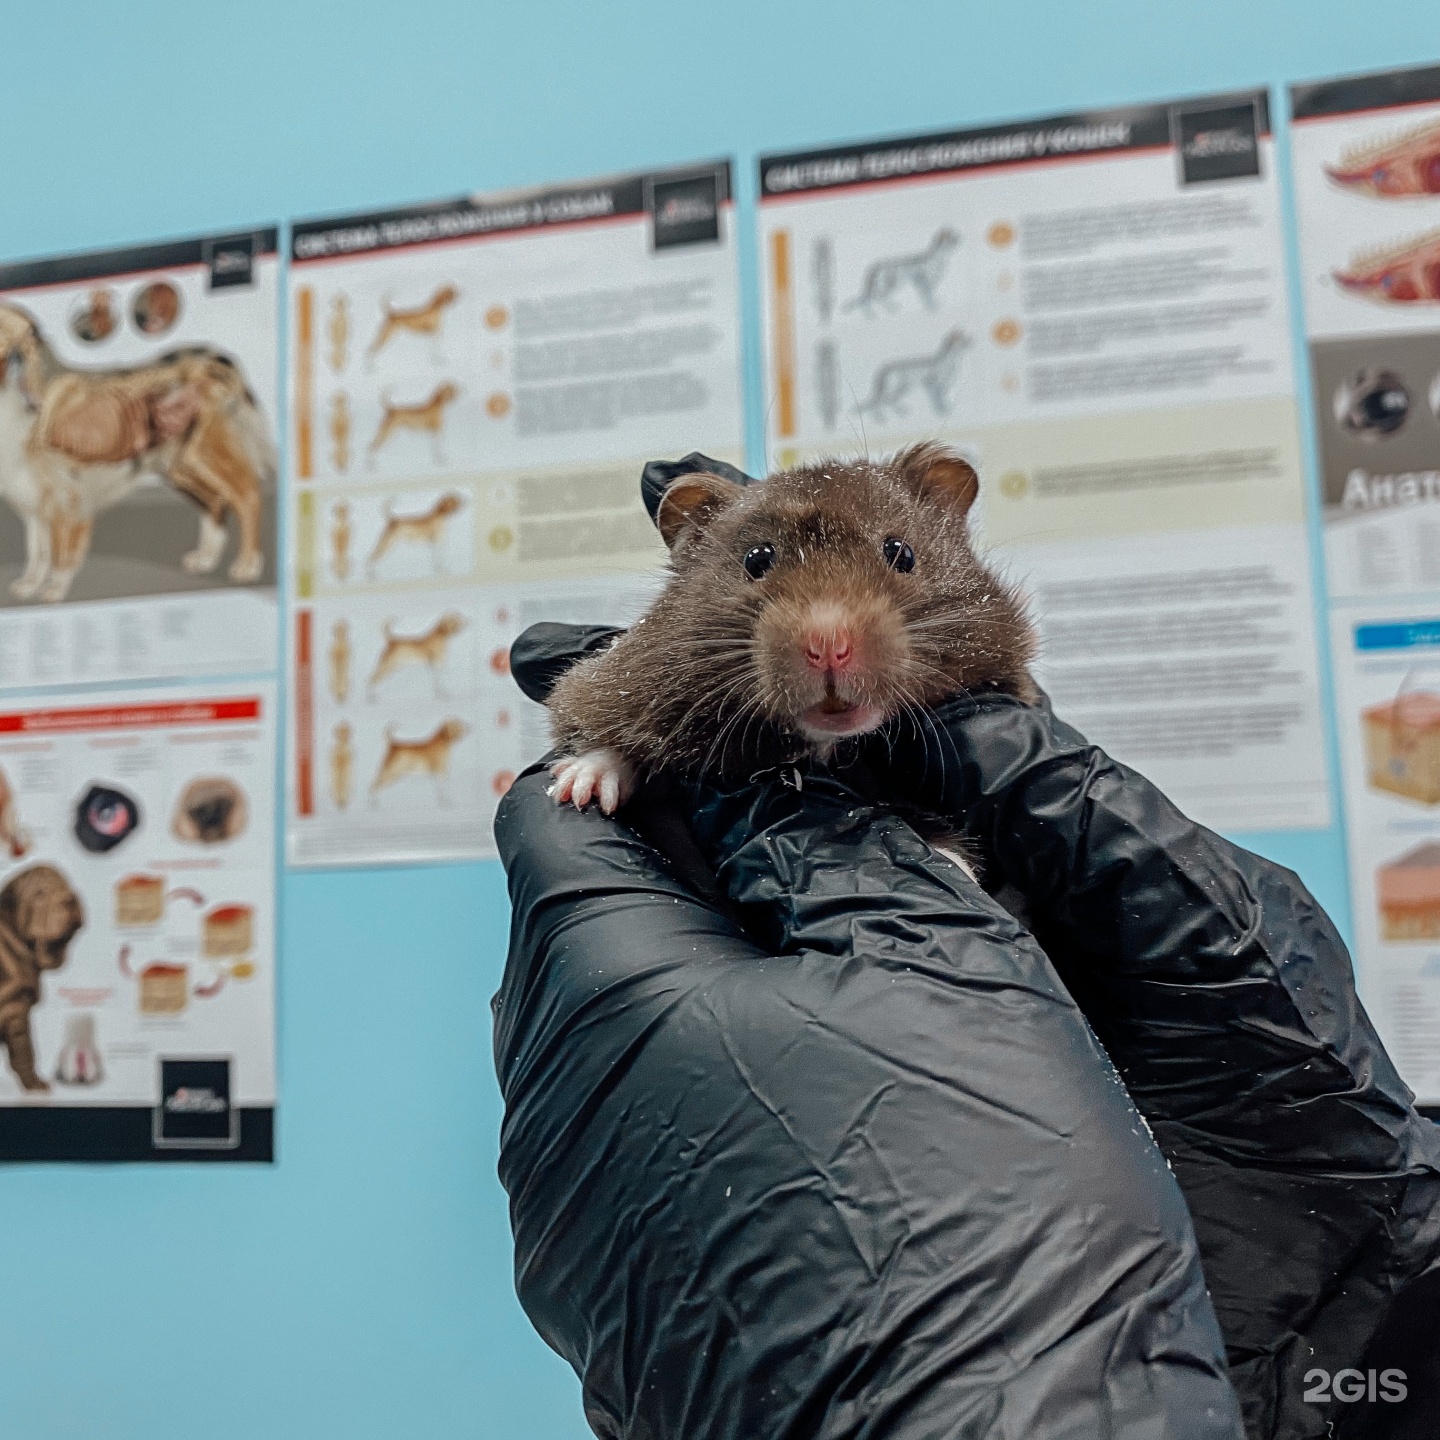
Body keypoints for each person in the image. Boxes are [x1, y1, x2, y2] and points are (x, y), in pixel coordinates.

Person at [492, 468, 1440, 1440]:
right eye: (761, 565)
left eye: (898, 559)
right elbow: (593, 707)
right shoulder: (669, 669)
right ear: (692, 554)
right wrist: (610, 756)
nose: (828, 635)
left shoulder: (986, 696)